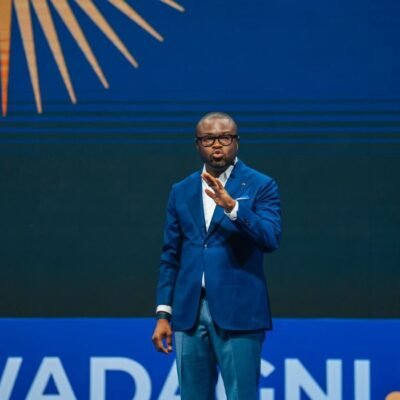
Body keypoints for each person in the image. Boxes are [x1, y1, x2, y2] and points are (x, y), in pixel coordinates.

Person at [152, 112, 281, 400]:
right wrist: (163, 314)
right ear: (197, 145)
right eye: (209, 139)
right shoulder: (181, 190)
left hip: (239, 311)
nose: (217, 145)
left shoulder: (261, 185)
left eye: (225, 137)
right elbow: (170, 256)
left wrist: (233, 208)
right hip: (188, 313)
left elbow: (270, 238)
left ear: (237, 142)